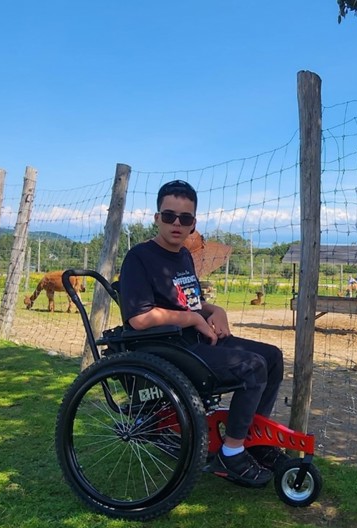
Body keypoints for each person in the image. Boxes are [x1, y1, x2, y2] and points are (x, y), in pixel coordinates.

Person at [118, 179, 286, 488]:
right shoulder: (139, 258)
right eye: (169, 216)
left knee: (272, 357)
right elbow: (139, 318)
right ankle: (231, 453)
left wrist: (213, 310)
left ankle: (254, 440)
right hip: (168, 347)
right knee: (252, 366)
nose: (177, 224)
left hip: (195, 339)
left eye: (185, 218)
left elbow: (190, 302)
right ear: (156, 218)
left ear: (193, 223)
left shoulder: (183, 256)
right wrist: (195, 319)